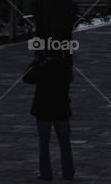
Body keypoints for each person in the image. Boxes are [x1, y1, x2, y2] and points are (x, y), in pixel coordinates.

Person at [23, 52, 75, 181]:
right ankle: (68, 172)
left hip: (43, 109)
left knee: (44, 143)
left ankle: (46, 173)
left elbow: (26, 78)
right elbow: (70, 78)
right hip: (61, 109)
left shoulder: (42, 67)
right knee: (65, 143)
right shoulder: (65, 67)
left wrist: (35, 62)